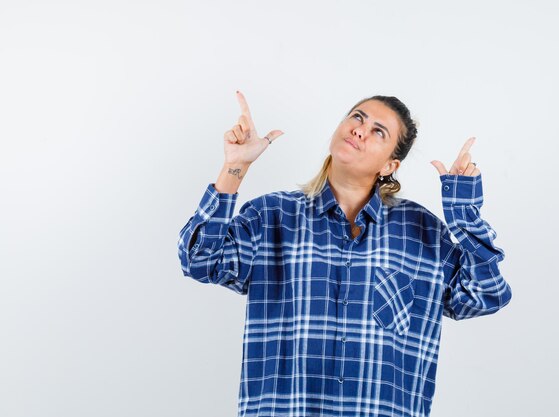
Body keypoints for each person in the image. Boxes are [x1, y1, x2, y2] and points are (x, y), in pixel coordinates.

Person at [177, 91, 512, 417]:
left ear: (389, 164)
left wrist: (463, 213)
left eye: (377, 132)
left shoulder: (423, 232)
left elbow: (485, 295)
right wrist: (234, 168)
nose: (359, 130)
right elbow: (199, 260)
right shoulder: (272, 217)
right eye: (357, 117)